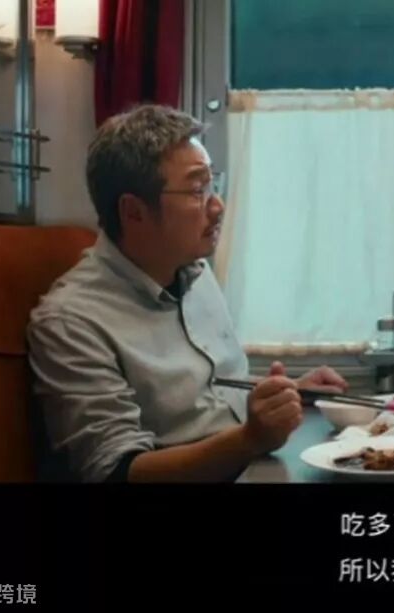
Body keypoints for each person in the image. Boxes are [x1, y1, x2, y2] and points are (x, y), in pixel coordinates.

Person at [27, 104, 347, 483]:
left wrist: (289, 392)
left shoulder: (194, 270)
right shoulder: (70, 322)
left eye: (213, 184)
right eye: (197, 190)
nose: (217, 205)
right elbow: (115, 471)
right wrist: (249, 438)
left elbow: (207, 392)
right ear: (133, 211)